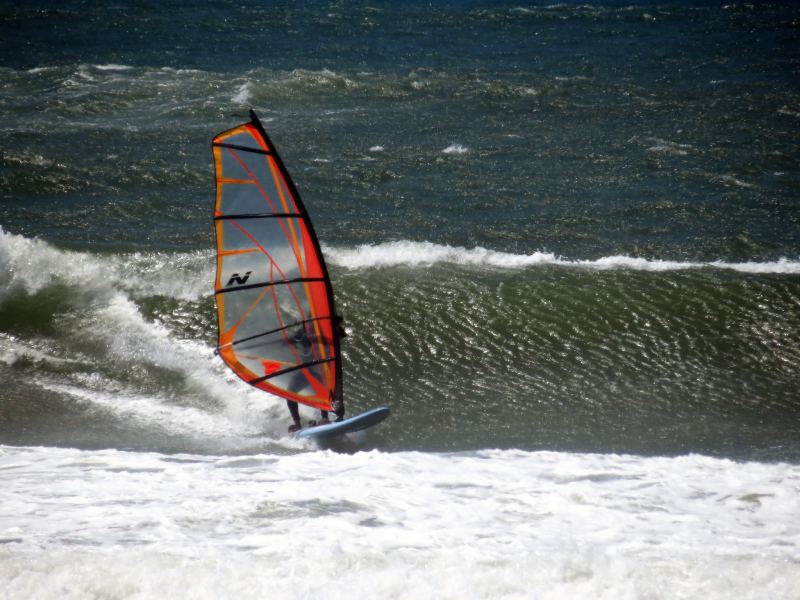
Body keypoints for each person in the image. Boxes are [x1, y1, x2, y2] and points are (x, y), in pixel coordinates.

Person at [285, 316, 347, 433]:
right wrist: (289, 341)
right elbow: (296, 339)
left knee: (325, 392)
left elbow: (341, 335)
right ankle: (298, 424)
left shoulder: (328, 328)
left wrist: (335, 331)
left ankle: (326, 418)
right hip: (307, 370)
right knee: (290, 392)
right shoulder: (304, 330)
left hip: (323, 370)